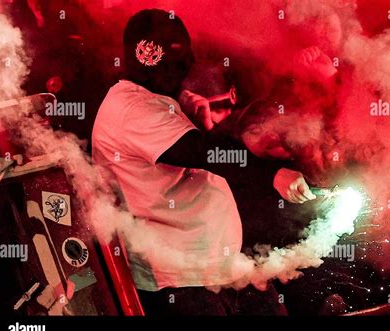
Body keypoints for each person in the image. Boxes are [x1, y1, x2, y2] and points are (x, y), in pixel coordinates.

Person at [92, 9, 316, 315]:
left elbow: (203, 153)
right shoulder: (130, 108)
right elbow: (205, 153)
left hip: (218, 266)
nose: (181, 77)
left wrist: (202, 124)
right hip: (183, 282)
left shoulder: (156, 99)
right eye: (172, 68)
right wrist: (273, 174)